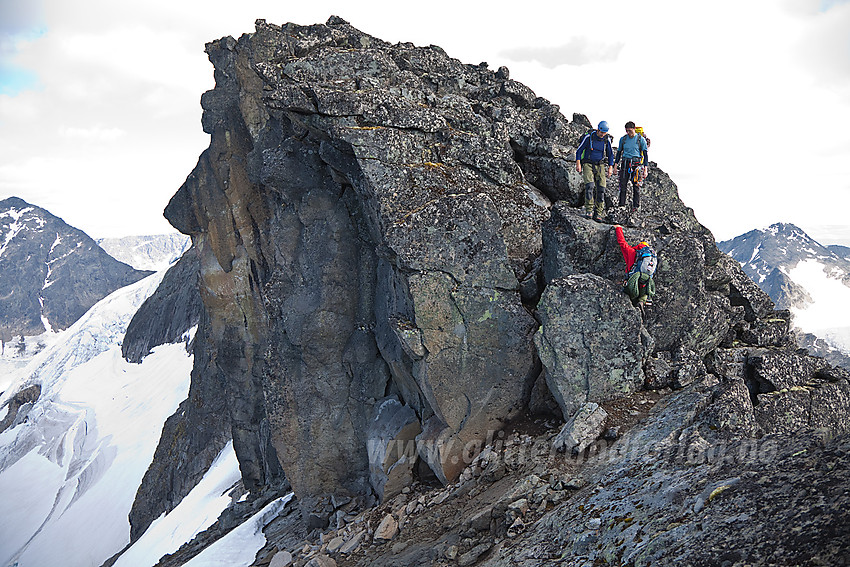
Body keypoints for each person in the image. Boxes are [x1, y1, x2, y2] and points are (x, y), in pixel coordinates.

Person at [575, 121, 614, 221]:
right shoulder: (589, 137)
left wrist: (610, 167)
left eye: (604, 133)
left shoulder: (606, 140)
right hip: (588, 163)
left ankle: (598, 213)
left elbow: (610, 154)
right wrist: (578, 163)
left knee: (601, 189)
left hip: (600, 164)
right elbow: (579, 150)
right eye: (601, 132)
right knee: (589, 186)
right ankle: (589, 210)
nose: (602, 134)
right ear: (598, 129)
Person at [614, 224, 656, 309]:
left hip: (633, 279)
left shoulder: (632, 252)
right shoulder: (652, 258)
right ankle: (642, 301)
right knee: (644, 288)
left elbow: (622, 242)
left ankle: (632, 304)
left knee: (630, 293)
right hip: (645, 282)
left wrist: (618, 228)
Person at [614, 121, 649, 212]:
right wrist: (615, 165)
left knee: (636, 186)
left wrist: (645, 168)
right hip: (625, 163)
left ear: (634, 129)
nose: (628, 133)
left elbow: (645, 154)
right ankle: (621, 205)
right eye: (627, 131)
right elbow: (618, 153)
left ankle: (635, 207)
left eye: (630, 131)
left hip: (636, 164)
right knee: (623, 185)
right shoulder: (623, 139)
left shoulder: (640, 139)